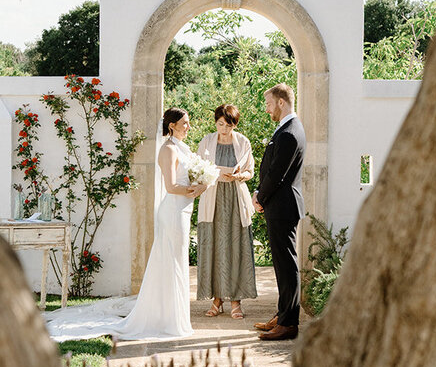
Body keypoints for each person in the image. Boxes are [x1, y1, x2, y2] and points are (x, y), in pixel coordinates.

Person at [44, 107, 204, 342]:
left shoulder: (183, 148)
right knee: (172, 264)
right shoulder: (168, 150)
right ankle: (168, 320)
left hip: (183, 209)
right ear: (172, 126)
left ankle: (172, 317)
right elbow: (171, 187)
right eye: (184, 123)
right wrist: (196, 189)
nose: (188, 126)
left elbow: (189, 179)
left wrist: (203, 184)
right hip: (172, 212)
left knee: (177, 262)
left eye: (188, 122)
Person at [252, 83, 306, 341]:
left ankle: (288, 323)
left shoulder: (288, 133)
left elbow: (277, 174)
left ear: (281, 102)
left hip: (282, 206)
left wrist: (259, 196)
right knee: (283, 264)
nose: (267, 109)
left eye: (269, 103)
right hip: (281, 205)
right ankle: (283, 314)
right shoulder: (288, 129)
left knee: (287, 265)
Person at [196, 104, 257, 319]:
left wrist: (239, 176)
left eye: (228, 125)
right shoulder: (206, 141)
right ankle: (217, 299)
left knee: (235, 246)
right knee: (215, 246)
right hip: (213, 198)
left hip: (235, 198)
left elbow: (250, 171)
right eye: (220, 124)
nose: (224, 128)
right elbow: (197, 169)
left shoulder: (243, 142)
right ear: (215, 122)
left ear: (234, 124)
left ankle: (236, 301)